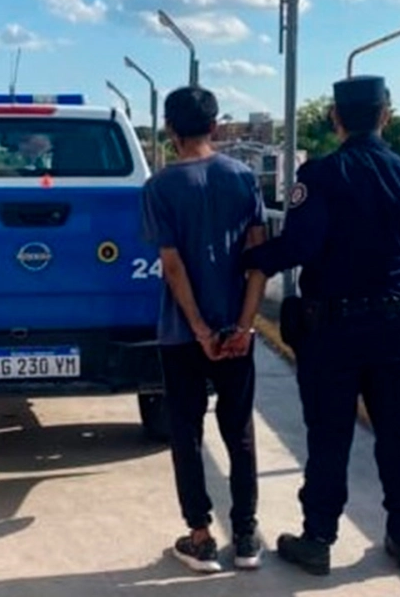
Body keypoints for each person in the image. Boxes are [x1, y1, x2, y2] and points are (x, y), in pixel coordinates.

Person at [242, 75, 400, 575]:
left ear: (336, 118)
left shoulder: (322, 176)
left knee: (329, 437)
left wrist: (247, 258)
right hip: (396, 329)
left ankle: (318, 539)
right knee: (399, 432)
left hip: (333, 331)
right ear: (386, 116)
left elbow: (299, 246)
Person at [141, 86, 268, 573]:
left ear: (169, 130)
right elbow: (257, 258)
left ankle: (200, 537)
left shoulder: (159, 188)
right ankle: (247, 535)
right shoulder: (243, 177)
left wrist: (198, 329)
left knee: (187, 432)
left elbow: (172, 267)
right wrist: (244, 326)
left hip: (182, 334)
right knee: (239, 431)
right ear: (215, 126)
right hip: (236, 331)